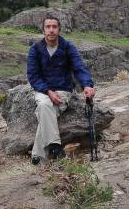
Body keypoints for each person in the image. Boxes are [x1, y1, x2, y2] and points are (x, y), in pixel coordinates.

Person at [27, 16, 95, 164]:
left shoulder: (68, 47)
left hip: (63, 90)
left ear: (59, 29)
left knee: (45, 110)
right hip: (43, 91)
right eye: (48, 27)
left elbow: (79, 68)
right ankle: (56, 147)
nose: (51, 30)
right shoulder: (35, 49)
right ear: (43, 30)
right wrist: (48, 91)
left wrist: (87, 85)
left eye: (54, 27)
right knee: (45, 106)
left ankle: (38, 156)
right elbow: (33, 76)